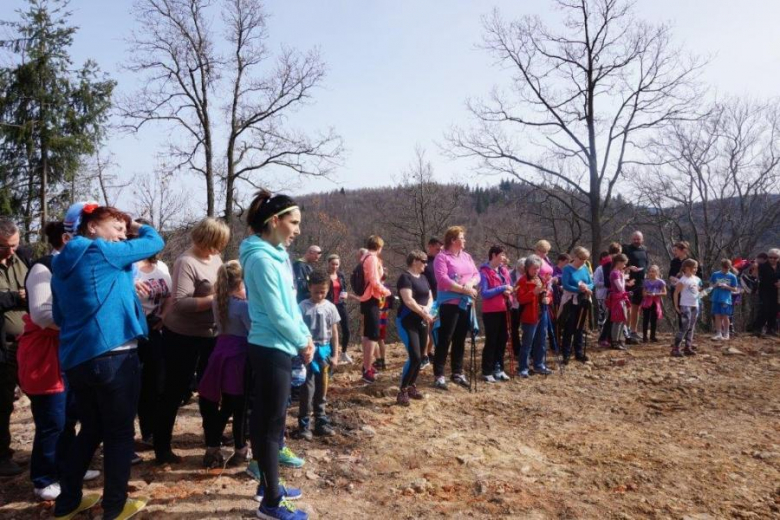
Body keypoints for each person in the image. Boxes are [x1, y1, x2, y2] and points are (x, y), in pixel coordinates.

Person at [52, 203, 164, 520]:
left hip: (78, 361)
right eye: (115, 226)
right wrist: (139, 227)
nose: (121, 233)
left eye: (123, 228)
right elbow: (155, 242)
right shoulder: (100, 252)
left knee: (90, 430)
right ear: (90, 228)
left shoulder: (60, 265)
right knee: (118, 435)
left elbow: (60, 316)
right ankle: (114, 508)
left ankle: (68, 502)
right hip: (114, 358)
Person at [239, 190, 311, 520]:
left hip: (281, 345)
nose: (297, 229)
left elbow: (291, 306)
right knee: (269, 428)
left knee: (275, 421)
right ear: (275, 221)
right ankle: (270, 502)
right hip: (270, 348)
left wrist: (305, 337)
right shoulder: (260, 259)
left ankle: (270, 483)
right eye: (293, 222)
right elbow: (277, 313)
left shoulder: (277, 254)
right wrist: (302, 342)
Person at [18, 221, 100, 500]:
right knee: (52, 419)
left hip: (73, 351)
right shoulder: (44, 269)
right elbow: (42, 315)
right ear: (66, 239)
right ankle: (43, 478)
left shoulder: (83, 268)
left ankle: (68, 467)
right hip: (47, 355)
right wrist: (82, 320)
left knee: (71, 414)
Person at [154, 218, 230, 465]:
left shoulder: (216, 260)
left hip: (210, 335)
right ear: (206, 240)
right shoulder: (185, 262)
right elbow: (181, 303)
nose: (220, 248)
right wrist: (216, 298)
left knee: (210, 392)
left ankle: (212, 442)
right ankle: (162, 447)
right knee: (175, 391)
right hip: (182, 337)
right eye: (217, 243)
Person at [197, 260, 251, 468]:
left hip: (220, 352)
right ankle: (240, 449)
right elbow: (251, 331)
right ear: (240, 283)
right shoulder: (242, 306)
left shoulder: (217, 302)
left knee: (225, 406)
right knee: (239, 407)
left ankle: (212, 446)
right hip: (238, 357)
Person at [432, 226, 480, 390]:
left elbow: (476, 274)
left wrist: (471, 284)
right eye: (462, 237)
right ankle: (439, 375)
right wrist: (463, 289)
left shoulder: (466, 256)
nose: (464, 240)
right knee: (445, 338)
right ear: (453, 240)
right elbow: (442, 279)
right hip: (449, 303)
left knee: (460, 338)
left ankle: (457, 372)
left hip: (465, 303)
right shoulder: (442, 257)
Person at [0, 218, 30, 477]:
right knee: (2, 403)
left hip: (30, 343)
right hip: (4, 347)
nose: (10, 251)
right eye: (4, 247)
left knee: (45, 398)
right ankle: (2, 456)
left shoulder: (23, 259)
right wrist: (14, 297)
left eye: (14, 245)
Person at [294, 270, 339, 440]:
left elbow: (334, 332)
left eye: (323, 292)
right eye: (316, 291)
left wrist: (335, 355)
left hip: (325, 352)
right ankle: (304, 424)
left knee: (322, 387)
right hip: (308, 352)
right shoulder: (302, 307)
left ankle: (321, 420)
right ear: (309, 288)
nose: (320, 295)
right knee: (308, 388)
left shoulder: (330, 307)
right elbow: (298, 330)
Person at [134, 251, 171, 447]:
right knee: (134, 385)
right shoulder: (128, 268)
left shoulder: (162, 267)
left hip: (155, 329)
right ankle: (125, 436)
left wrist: (163, 316)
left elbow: (170, 295)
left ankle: (150, 432)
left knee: (155, 383)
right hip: (132, 332)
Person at [396, 250, 433, 406]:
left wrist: (428, 309)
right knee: (415, 356)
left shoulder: (424, 278)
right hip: (407, 321)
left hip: (422, 321)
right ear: (415, 261)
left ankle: (411, 386)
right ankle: (402, 390)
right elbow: (408, 300)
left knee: (422, 357)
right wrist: (423, 312)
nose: (426, 264)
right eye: (423, 261)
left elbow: (430, 296)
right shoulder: (405, 278)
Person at [358, 236, 391, 384]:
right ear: (379, 246)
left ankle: (367, 366)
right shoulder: (372, 258)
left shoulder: (365, 256)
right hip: (371, 297)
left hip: (367, 298)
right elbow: (374, 280)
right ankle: (367, 369)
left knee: (367, 334)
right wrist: (386, 291)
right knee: (373, 335)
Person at [478, 245, 513, 383]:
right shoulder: (484, 272)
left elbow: (509, 287)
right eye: (502, 255)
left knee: (502, 340)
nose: (504, 258)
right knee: (491, 341)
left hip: (504, 309)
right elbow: (485, 293)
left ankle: (498, 368)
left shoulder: (504, 271)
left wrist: (508, 292)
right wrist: (502, 288)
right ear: (493, 255)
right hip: (491, 311)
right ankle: (487, 370)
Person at [515, 255, 554, 378]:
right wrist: (533, 293)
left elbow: (548, 292)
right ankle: (523, 368)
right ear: (527, 268)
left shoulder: (541, 279)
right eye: (533, 269)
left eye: (538, 268)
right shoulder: (522, 281)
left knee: (541, 340)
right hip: (529, 316)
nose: (536, 271)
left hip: (542, 314)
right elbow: (520, 299)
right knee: (527, 343)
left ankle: (539, 364)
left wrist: (548, 298)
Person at [559, 247, 594, 364]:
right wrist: (579, 290)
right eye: (581, 259)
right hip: (571, 301)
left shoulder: (584, 268)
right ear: (575, 257)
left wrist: (587, 288)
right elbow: (566, 285)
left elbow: (591, 282)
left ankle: (579, 352)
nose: (583, 262)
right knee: (569, 327)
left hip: (583, 300)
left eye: (585, 259)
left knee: (580, 327)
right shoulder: (567, 269)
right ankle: (566, 354)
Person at [324, 254, 352, 365]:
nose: (334, 266)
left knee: (346, 330)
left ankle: (344, 352)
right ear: (328, 263)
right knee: (330, 331)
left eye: (336, 264)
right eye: (332, 264)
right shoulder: (325, 276)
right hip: (329, 305)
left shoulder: (341, 275)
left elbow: (343, 288)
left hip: (340, 304)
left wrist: (344, 294)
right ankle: (331, 355)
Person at [623, 231, 650, 344]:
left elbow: (646, 264)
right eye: (634, 239)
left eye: (638, 239)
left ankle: (634, 330)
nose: (636, 241)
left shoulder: (644, 249)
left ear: (642, 239)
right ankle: (626, 331)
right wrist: (629, 267)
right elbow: (620, 264)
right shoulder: (626, 249)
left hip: (640, 282)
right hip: (628, 281)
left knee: (637, 308)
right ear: (631, 239)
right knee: (627, 307)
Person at [672, 259, 701, 357]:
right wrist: (676, 305)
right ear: (687, 268)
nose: (696, 269)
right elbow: (676, 293)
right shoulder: (683, 280)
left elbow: (697, 291)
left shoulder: (697, 279)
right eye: (694, 268)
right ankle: (676, 348)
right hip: (685, 305)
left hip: (695, 305)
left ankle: (688, 346)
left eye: (696, 267)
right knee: (684, 327)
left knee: (691, 327)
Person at [421, 237, 443, 368]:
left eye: (440, 249)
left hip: (439, 300)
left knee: (434, 328)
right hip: (427, 300)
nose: (439, 251)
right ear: (429, 246)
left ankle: (429, 352)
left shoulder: (440, 261)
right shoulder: (424, 262)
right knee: (427, 329)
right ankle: (423, 355)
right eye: (437, 248)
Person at [597, 242, 623, 347]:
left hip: (614, 292)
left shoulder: (609, 262)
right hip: (612, 293)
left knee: (612, 317)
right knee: (611, 317)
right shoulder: (608, 263)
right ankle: (604, 338)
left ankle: (608, 337)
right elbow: (608, 282)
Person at [606, 254, 633, 350]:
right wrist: (623, 277)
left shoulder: (618, 272)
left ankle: (619, 339)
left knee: (622, 320)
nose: (624, 266)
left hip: (621, 298)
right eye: (624, 264)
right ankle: (614, 341)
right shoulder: (615, 273)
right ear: (619, 263)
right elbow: (620, 287)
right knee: (617, 320)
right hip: (617, 298)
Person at [709, 259, 739, 341]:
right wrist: (716, 285)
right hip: (716, 297)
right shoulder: (715, 274)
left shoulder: (732, 276)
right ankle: (718, 333)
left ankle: (726, 333)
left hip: (726, 299)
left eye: (727, 268)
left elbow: (735, 289)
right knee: (717, 316)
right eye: (724, 268)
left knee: (726, 316)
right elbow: (711, 285)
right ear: (721, 267)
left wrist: (727, 287)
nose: (726, 270)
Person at [752, 248, 779, 337]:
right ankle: (758, 328)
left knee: (774, 309)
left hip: (777, 291)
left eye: (775, 258)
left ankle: (771, 329)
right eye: (770, 257)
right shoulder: (763, 266)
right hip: (764, 290)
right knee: (764, 308)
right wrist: (755, 267)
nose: (772, 259)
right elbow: (754, 276)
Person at [641, 265, 667, 343]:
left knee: (653, 320)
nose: (651, 273)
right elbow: (643, 292)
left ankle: (653, 336)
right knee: (646, 319)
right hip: (647, 302)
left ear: (657, 273)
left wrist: (656, 294)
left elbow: (665, 292)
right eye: (650, 271)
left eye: (653, 271)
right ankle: (644, 336)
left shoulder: (660, 282)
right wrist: (646, 294)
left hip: (655, 302)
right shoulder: (646, 282)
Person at [509, 257, 526, 360]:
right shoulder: (511, 274)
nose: (523, 270)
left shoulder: (529, 275)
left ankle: (525, 350)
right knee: (514, 328)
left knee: (525, 328)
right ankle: (516, 350)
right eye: (522, 268)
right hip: (514, 305)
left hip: (524, 303)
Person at [593, 251, 610, 331]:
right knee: (602, 313)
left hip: (609, 293)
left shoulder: (611, 267)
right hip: (601, 294)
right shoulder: (599, 269)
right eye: (605, 257)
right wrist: (606, 283)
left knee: (609, 313)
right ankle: (601, 330)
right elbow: (596, 282)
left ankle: (607, 331)